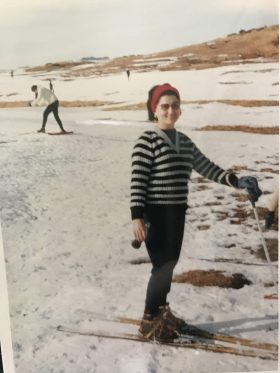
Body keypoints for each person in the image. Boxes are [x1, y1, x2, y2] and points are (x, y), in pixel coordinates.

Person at [130, 83, 262, 342]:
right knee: (161, 267)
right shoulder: (147, 140)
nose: (170, 111)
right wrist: (136, 216)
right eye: (164, 106)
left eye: (175, 106)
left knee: (169, 265)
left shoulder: (185, 142)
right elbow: (138, 180)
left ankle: (160, 312)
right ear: (154, 110)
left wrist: (236, 181)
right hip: (154, 214)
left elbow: (207, 167)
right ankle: (149, 320)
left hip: (177, 212)